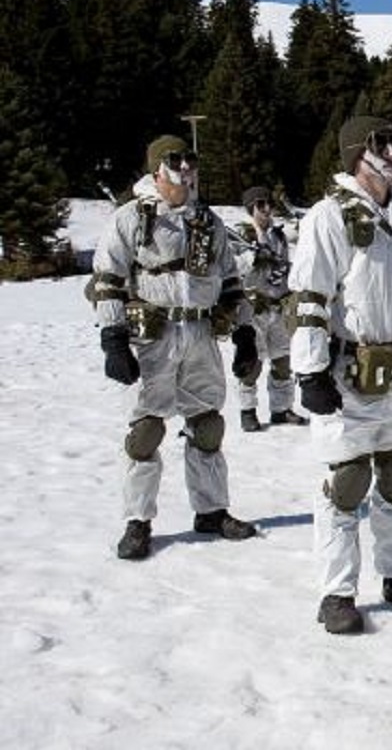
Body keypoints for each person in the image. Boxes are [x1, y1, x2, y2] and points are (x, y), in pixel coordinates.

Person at [289, 116, 392, 634]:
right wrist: (310, 370)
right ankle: (337, 592)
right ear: (355, 154)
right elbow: (311, 298)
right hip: (349, 373)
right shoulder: (328, 215)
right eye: (381, 143)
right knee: (348, 481)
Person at [92, 134, 260, 561]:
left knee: (207, 424)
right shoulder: (132, 218)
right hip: (154, 338)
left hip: (201, 335)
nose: (186, 168)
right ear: (155, 170)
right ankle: (137, 521)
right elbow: (108, 278)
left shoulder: (209, 221)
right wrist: (113, 338)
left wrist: (244, 335)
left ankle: (211, 510)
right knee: (146, 431)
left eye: (191, 159)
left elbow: (231, 283)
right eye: (175, 160)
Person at [232, 186, 308, 432]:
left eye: (269, 204)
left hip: (278, 306)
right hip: (253, 309)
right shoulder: (241, 234)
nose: (267, 209)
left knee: (282, 360)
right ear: (250, 208)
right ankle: (248, 410)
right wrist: (252, 258)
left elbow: (284, 265)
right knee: (252, 363)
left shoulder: (278, 235)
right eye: (261, 204)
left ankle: (281, 408)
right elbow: (232, 268)